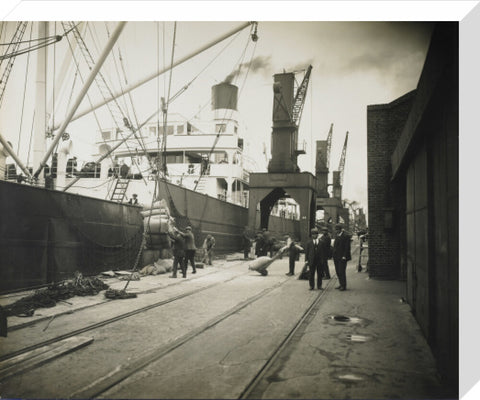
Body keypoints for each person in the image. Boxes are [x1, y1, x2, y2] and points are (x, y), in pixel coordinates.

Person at [332, 223, 352, 291]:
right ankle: (341, 284)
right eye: (336, 229)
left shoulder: (345, 236)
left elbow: (347, 247)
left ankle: (343, 286)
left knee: (341, 271)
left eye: (337, 229)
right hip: (336, 257)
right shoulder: (337, 236)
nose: (336, 231)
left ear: (340, 229)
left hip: (342, 257)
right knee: (338, 271)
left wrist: (344, 256)